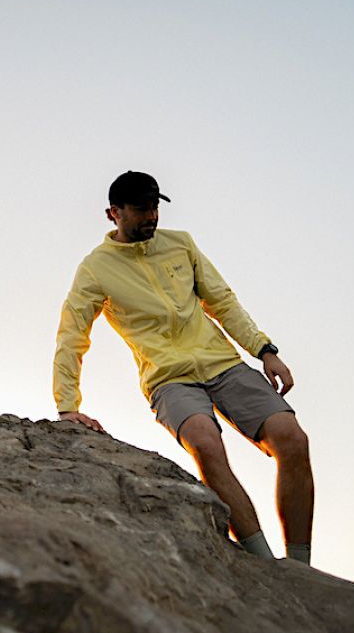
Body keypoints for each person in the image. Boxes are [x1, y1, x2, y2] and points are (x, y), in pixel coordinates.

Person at [52, 171, 314, 564]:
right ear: (114, 213)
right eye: (141, 209)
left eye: (155, 207)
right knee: (205, 444)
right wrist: (67, 405)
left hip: (222, 363)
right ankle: (263, 563)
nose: (152, 216)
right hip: (169, 379)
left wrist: (265, 350)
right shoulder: (95, 268)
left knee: (292, 439)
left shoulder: (182, 245)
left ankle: (299, 566)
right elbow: (72, 335)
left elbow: (222, 302)